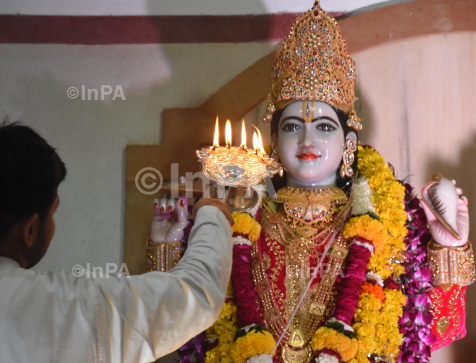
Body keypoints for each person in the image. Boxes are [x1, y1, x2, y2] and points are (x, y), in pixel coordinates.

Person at [148, 2, 475, 363]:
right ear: (274, 140)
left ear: (348, 144)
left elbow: (439, 329)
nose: (307, 140)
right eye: (292, 127)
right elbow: (176, 329)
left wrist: (449, 249)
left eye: (324, 126)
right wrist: (167, 250)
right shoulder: (232, 216)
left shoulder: (391, 218)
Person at [0, 121, 235, 363]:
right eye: (52, 213)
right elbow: (197, 294)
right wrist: (213, 210)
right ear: (30, 231)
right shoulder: (72, 310)